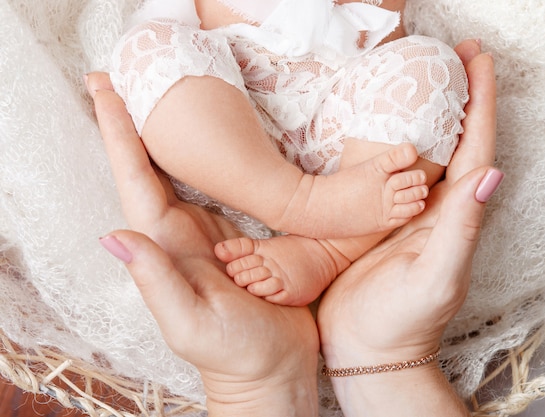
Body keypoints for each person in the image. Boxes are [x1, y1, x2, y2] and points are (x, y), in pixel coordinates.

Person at [88, 35, 499, 415]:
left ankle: (323, 242)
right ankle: (305, 212)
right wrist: (384, 358)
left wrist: (254, 385)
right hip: (238, 138)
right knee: (154, 49)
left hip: (343, 136)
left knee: (427, 65)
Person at [109, 0, 470, 305]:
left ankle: (328, 250)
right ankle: (295, 202)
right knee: (150, 47)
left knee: (431, 63)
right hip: (228, 127)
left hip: (347, 144)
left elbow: (390, 42)